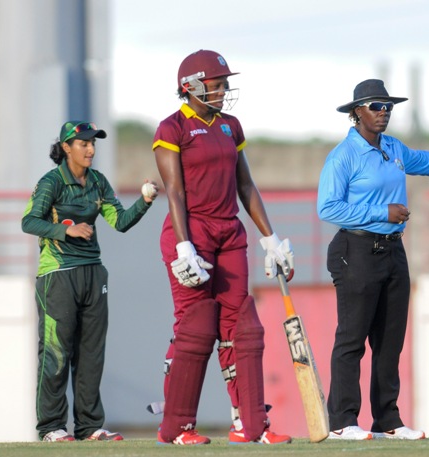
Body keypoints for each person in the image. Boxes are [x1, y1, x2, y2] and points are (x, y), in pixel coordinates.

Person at [317, 79, 429, 441]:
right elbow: (328, 206)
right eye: (376, 106)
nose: (383, 112)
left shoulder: (392, 147)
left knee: (390, 340)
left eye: (388, 106)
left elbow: (422, 160)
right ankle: (342, 422)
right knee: (352, 339)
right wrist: (382, 211)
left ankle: (388, 420)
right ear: (356, 113)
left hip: (392, 250)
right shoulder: (343, 156)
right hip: (356, 251)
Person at [152, 49, 294, 446]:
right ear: (192, 86)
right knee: (196, 327)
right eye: (217, 84)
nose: (224, 90)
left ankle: (249, 423)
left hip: (229, 233)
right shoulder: (172, 128)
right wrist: (184, 247)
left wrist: (271, 239)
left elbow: (245, 186)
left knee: (243, 327)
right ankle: (178, 427)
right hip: (191, 231)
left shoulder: (231, 125)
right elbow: (175, 193)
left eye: (224, 83)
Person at [22, 121, 159, 442]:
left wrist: (145, 201)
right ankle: (51, 428)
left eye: (93, 143)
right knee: (56, 353)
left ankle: (89, 427)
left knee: (91, 354)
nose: (91, 149)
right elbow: (29, 221)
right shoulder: (51, 182)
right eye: (83, 143)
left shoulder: (98, 182)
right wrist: (64, 230)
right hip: (57, 274)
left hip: (93, 273)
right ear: (67, 147)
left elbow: (120, 221)